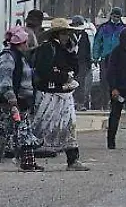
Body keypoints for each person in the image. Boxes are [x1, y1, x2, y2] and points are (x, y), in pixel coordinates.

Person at [30, 18, 89, 171]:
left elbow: (75, 68)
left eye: (67, 33)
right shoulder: (47, 48)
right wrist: (62, 76)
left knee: (69, 126)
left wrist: (71, 54)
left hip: (65, 93)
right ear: (56, 34)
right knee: (40, 126)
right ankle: (26, 156)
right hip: (48, 94)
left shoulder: (67, 50)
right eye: (63, 33)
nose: (66, 36)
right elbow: (43, 71)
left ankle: (73, 159)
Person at [1, 27, 42, 171]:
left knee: (24, 131)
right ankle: (26, 162)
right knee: (5, 132)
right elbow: (5, 81)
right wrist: (11, 100)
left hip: (23, 103)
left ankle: (28, 162)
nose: (27, 45)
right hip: (11, 103)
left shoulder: (22, 58)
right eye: (25, 43)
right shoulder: (8, 57)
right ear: (19, 43)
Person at [71, 16, 93, 110]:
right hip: (71, 63)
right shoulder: (69, 34)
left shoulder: (84, 35)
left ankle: (80, 103)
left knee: (81, 84)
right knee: (70, 83)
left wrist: (89, 64)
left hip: (82, 63)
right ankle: (72, 103)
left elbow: (87, 50)